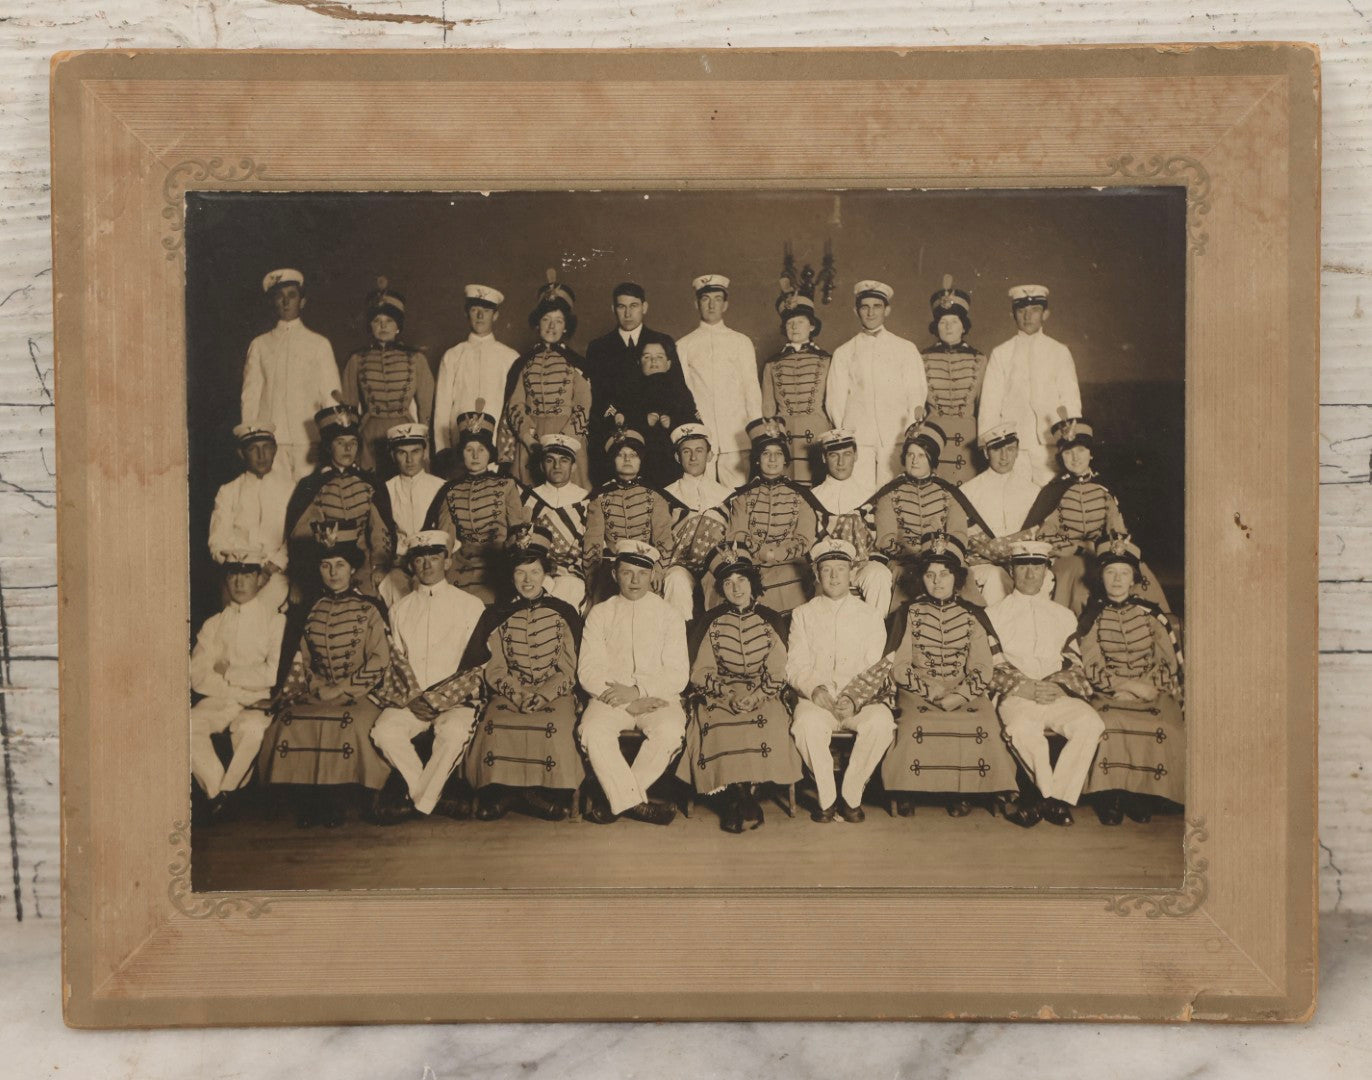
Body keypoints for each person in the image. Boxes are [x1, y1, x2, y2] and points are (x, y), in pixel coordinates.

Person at [875, 533, 1019, 817]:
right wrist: (934, 691)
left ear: (957, 578)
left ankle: (962, 790)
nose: (937, 581)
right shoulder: (909, 613)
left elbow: (982, 667)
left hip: (964, 688)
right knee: (914, 723)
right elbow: (900, 666)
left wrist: (960, 694)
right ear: (921, 578)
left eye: (944, 574)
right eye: (930, 575)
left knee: (982, 723)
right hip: (918, 689)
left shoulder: (973, 615)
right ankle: (907, 789)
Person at [257, 539, 392, 828]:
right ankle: (310, 798)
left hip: (362, 692)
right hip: (319, 690)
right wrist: (319, 687)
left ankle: (339, 798)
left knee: (348, 721)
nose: (333, 572)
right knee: (290, 718)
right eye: (325, 565)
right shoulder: (309, 609)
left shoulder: (370, 608)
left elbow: (380, 660)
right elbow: (302, 660)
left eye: (340, 565)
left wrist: (343, 688)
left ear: (352, 568)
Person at [457, 524, 586, 821]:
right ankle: (513, 794)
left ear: (546, 575)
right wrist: (517, 693)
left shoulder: (564, 612)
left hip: (556, 691)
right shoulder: (496, 615)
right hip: (509, 691)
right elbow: (495, 666)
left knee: (556, 723)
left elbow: (570, 666)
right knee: (495, 721)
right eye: (520, 573)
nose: (527, 581)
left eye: (534, 572)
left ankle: (528, 796)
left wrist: (543, 694)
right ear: (511, 575)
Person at [677, 544, 803, 832]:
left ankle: (744, 798)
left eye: (742, 580)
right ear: (721, 588)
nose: (736, 589)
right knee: (717, 720)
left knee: (770, 720)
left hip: (764, 692)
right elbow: (701, 671)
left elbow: (778, 669)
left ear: (753, 583)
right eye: (728, 583)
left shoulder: (770, 619)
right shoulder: (712, 621)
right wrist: (727, 693)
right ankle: (740, 798)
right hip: (722, 693)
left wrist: (758, 695)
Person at [370, 531, 487, 822]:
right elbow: (394, 663)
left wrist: (439, 700)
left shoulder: (471, 606)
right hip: (412, 700)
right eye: (420, 558)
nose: (427, 565)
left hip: (456, 701)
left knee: (454, 733)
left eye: (435, 558)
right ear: (411, 564)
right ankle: (432, 796)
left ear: (448, 562)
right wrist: (410, 698)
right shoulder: (399, 609)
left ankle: (418, 801)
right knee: (383, 732)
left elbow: (478, 666)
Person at [985, 540, 1104, 828]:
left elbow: (1075, 662)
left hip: (1055, 693)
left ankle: (1050, 798)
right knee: (1022, 731)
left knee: (1091, 724)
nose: (1030, 574)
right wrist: (1023, 687)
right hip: (1017, 694)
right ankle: (1054, 800)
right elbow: (989, 664)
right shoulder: (992, 615)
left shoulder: (1063, 615)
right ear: (1011, 570)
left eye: (1037, 566)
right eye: (1023, 566)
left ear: (1046, 571)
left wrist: (1059, 687)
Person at [577, 539, 689, 826]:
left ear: (653, 575)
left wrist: (640, 690)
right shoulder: (601, 613)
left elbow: (678, 673)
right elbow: (588, 670)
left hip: (657, 698)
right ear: (615, 575)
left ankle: (612, 801)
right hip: (610, 698)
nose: (634, 580)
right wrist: (628, 700)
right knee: (591, 730)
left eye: (642, 573)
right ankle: (635, 803)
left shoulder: (669, 615)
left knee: (670, 731)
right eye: (627, 572)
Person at [1076, 535, 1185, 824]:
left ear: (1133, 578)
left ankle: (1140, 795)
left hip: (1151, 690)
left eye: (1124, 573)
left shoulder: (1151, 615)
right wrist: (1123, 687)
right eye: (1111, 572)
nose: (1117, 579)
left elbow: (1167, 660)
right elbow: (1092, 665)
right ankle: (1110, 795)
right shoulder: (1092, 617)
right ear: (1101, 577)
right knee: (1108, 725)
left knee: (1160, 724)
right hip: (1109, 693)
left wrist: (1145, 688)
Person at [785, 538, 895, 823]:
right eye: (827, 570)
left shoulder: (870, 616)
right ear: (816, 574)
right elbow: (795, 664)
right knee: (806, 725)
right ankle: (827, 799)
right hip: (819, 699)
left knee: (881, 724)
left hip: (860, 699)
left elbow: (876, 668)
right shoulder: (802, 614)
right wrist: (813, 689)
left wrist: (854, 699)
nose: (834, 576)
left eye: (841, 569)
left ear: (852, 573)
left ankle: (851, 795)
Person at [1021, 417, 1169, 614]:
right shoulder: (1054, 491)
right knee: (1079, 573)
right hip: (1067, 557)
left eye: (1081, 450)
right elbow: (1043, 535)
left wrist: (1112, 547)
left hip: (1102, 552)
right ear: (1061, 457)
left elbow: (1116, 526)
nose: (1075, 457)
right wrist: (1078, 548)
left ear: (1091, 454)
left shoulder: (1105, 487)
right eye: (1068, 452)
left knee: (1135, 568)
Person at [189, 551, 285, 822]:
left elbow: (271, 674)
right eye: (233, 575)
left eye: (247, 575)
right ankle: (218, 793)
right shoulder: (214, 624)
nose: (239, 582)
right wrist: (239, 686)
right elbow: (197, 676)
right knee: (186, 725)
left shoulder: (274, 621)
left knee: (251, 729)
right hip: (222, 699)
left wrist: (228, 671)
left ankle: (229, 792)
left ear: (260, 579)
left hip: (258, 703)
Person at [582, 281, 695, 484]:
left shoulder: (662, 341)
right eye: (621, 306)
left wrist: (667, 418)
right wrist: (616, 418)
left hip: (657, 436)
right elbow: (597, 395)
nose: (628, 313)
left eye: (633, 306)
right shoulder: (599, 347)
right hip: (619, 434)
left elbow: (677, 389)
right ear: (613, 309)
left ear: (644, 307)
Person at [284, 404, 396, 605]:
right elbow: (299, 536)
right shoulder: (311, 485)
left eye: (353, 442)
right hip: (324, 568)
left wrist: (379, 566)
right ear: (328, 446)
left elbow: (381, 531)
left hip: (363, 566)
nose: (348, 448)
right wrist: (298, 579)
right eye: (340, 442)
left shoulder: (371, 483)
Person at [240, 268, 341, 484]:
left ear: (302, 301)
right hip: (270, 445)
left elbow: (330, 397)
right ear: (273, 302)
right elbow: (250, 396)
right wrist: (253, 442)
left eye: (292, 296)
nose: (286, 302)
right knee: (273, 508)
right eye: (279, 296)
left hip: (309, 442)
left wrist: (328, 442)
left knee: (308, 507)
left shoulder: (319, 344)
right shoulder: (259, 345)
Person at [869, 421, 985, 607]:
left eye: (921, 455)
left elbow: (959, 534)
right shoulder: (889, 493)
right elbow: (885, 538)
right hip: (904, 561)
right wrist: (917, 556)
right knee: (907, 577)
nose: (914, 460)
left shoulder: (949, 492)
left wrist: (941, 556)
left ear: (932, 459)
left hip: (945, 559)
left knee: (963, 576)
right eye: (910, 454)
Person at [825, 280, 927, 489]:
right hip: (859, 438)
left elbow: (916, 394)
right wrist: (847, 435)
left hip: (895, 438)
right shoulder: (844, 352)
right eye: (865, 307)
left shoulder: (905, 348)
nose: (871, 313)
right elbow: (835, 401)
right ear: (856, 311)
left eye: (877, 306)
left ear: (887, 310)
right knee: (859, 496)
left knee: (893, 495)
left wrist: (906, 434)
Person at [979, 285, 1082, 485]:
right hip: (1012, 447)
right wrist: (994, 449)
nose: (1028, 316)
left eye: (1034, 310)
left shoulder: (1059, 351)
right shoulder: (1002, 353)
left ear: (1045, 314)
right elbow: (989, 406)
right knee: (1015, 503)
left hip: (1051, 446)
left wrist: (1069, 441)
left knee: (1051, 503)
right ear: (1013, 314)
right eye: (1021, 311)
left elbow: (1071, 399)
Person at [423, 410, 528, 604]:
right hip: (462, 564)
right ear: (461, 453)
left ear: (490, 453)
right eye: (469, 449)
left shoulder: (506, 485)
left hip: (497, 563)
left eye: (481, 449)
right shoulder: (451, 490)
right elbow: (446, 537)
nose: (475, 455)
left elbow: (517, 531)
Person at [721, 417, 824, 614]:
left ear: (786, 459)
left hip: (792, 564)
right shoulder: (743, 496)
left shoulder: (801, 495)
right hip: (753, 564)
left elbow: (804, 539)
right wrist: (761, 553)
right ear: (757, 460)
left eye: (778, 454)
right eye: (766, 453)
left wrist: (776, 554)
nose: (772, 459)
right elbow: (737, 536)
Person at [499, 272, 592, 488]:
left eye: (558, 321)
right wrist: (529, 438)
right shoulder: (523, 363)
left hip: (568, 438)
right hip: (533, 439)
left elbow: (583, 405)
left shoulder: (578, 363)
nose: (552, 327)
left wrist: (566, 440)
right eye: (546, 320)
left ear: (566, 326)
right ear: (537, 325)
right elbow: (515, 405)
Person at [340, 278, 434, 477]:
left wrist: (425, 443)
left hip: (405, 430)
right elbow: (348, 407)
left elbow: (427, 408)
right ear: (370, 326)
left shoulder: (416, 359)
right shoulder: (357, 359)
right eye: (377, 321)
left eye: (389, 321)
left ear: (398, 326)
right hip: (369, 432)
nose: (383, 326)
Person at [675, 274, 761, 488]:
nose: (712, 305)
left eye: (717, 299)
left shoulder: (741, 342)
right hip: (701, 439)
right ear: (696, 304)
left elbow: (751, 389)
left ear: (726, 304)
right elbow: (682, 394)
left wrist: (757, 433)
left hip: (736, 438)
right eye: (705, 299)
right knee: (701, 498)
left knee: (737, 500)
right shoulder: (684, 345)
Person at [581, 427, 676, 611]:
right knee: (600, 609)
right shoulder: (600, 497)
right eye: (621, 455)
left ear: (641, 460)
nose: (627, 459)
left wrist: (658, 568)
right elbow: (592, 542)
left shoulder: (655, 496)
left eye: (633, 455)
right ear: (612, 460)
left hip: (645, 565)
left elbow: (664, 539)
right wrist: (591, 578)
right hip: (612, 568)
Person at [208, 422, 292, 614]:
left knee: (262, 617)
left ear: (275, 450)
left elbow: (294, 537)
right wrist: (240, 569)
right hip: (238, 575)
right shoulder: (228, 491)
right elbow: (217, 541)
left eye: (266, 448)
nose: (261, 456)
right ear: (241, 453)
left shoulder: (291, 489)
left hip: (276, 574)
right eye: (253, 449)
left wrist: (270, 569)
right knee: (232, 621)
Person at [433, 284, 519, 470]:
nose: (480, 316)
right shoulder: (453, 355)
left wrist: (507, 452)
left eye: (486, 310)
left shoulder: (510, 357)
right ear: (466, 313)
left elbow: (514, 407)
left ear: (495, 315)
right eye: (475, 310)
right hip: (460, 448)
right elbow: (442, 407)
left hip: (498, 447)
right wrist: (444, 450)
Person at [959, 422, 1044, 606]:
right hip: (984, 565)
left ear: (1017, 450)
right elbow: (971, 539)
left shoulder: (1033, 491)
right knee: (996, 578)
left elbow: (1037, 534)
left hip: (1023, 561)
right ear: (986, 452)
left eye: (1010, 449)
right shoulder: (968, 492)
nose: (1005, 456)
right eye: (997, 450)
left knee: (1045, 579)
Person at [809, 427, 892, 614]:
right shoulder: (813, 497)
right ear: (823, 458)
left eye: (847, 454)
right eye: (833, 455)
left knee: (879, 575)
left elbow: (880, 541)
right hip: (828, 568)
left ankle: (875, 633)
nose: (840, 462)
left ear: (856, 455)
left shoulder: (870, 495)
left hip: (862, 565)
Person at [661, 423, 732, 620]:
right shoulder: (666, 496)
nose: (693, 457)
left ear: (709, 455)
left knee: (720, 581)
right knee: (676, 580)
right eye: (686, 451)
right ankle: (678, 637)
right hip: (680, 563)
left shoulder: (727, 495)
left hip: (715, 562)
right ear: (677, 457)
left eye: (699, 451)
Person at [760, 291, 832, 483]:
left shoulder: (827, 360)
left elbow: (834, 404)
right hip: (785, 433)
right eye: (789, 323)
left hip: (817, 431)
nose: (794, 327)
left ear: (812, 326)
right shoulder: (772, 364)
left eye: (800, 322)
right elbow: (767, 408)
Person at [921, 275, 987, 484]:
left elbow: (984, 405)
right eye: (943, 322)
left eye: (954, 321)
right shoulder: (922, 358)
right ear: (936, 326)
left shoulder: (979, 359)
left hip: (967, 440)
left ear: (964, 326)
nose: (948, 327)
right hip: (933, 436)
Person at [378, 422, 447, 609]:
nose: (409, 459)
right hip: (399, 566)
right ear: (393, 456)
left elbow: (450, 535)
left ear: (424, 452)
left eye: (415, 451)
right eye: (402, 452)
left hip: (433, 564)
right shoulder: (385, 490)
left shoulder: (441, 487)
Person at [523, 433, 591, 610]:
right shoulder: (529, 498)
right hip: (536, 569)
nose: (557, 466)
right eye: (550, 460)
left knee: (568, 589)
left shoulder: (586, 499)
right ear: (541, 465)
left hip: (573, 573)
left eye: (564, 461)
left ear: (574, 466)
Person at [620, 340, 701, 490]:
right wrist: (644, 422)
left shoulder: (680, 392)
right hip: (643, 457)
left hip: (673, 458)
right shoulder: (630, 393)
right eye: (647, 357)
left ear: (669, 364)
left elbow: (693, 423)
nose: (653, 361)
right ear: (638, 363)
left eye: (659, 357)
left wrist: (672, 423)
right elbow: (623, 424)